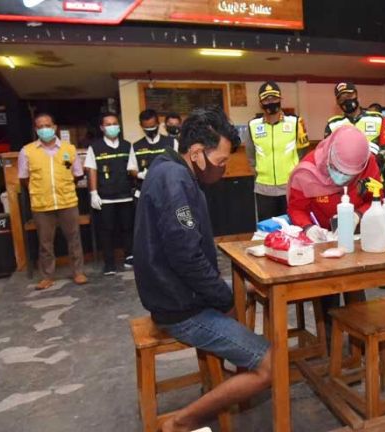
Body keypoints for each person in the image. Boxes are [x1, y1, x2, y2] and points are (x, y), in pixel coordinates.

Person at [133, 107, 271, 432]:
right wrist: (223, 297)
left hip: (175, 292)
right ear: (196, 153)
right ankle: (181, 423)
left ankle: (225, 383)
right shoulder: (174, 180)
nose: (221, 170)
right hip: (180, 307)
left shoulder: (169, 166)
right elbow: (187, 257)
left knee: (245, 292)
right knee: (271, 365)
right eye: (220, 162)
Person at [287, 125, 382, 332]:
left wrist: (358, 215)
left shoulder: (369, 164)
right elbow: (296, 208)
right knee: (327, 297)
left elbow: (376, 198)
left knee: (356, 296)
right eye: (338, 171)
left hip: (353, 243)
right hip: (322, 243)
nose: (342, 179)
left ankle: (359, 345)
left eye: (350, 174)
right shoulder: (307, 170)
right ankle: (330, 344)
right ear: (329, 157)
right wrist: (308, 227)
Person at [18, 112, 88, 290]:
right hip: (42, 205)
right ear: (36, 129)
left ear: (54, 127)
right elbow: (24, 179)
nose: (44, 129)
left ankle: (78, 272)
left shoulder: (69, 149)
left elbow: (77, 174)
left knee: (74, 239)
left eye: (47, 126)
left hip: (68, 202)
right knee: (45, 243)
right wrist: (40, 191)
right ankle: (47, 276)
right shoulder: (27, 151)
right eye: (40, 127)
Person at [245, 81, 310, 221]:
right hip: (263, 189)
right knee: (267, 230)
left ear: (280, 99)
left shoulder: (295, 122)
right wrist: (258, 173)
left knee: (293, 228)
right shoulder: (253, 125)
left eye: (274, 98)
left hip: (290, 187)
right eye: (266, 99)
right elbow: (251, 155)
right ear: (260, 102)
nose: (270, 102)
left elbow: (303, 153)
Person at [84, 112, 134, 275]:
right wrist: (93, 193)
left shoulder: (127, 146)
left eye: (115, 124)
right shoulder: (95, 147)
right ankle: (109, 263)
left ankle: (129, 257)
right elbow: (91, 169)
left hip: (125, 194)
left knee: (128, 228)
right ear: (102, 128)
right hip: (105, 197)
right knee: (107, 231)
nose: (112, 127)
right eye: (108, 124)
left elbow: (132, 167)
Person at [325, 82, 385, 189]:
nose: (346, 100)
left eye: (349, 96)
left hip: (374, 182)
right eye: (341, 99)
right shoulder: (333, 124)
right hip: (345, 185)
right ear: (337, 102)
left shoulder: (378, 119)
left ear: (356, 95)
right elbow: (327, 156)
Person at [127, 109, 175, 198]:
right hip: (145, 193)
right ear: (141, 126)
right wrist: (140, 175)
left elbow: (180, 165)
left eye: (152, 126)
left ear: (158, 123)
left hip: (167, 191)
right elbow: (131, 168)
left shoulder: (172, 143)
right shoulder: (136, 146)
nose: (150, 130)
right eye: (147, 128)